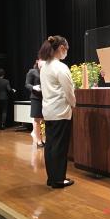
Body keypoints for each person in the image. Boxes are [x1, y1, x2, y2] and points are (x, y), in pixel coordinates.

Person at [38, 35, 76, 189]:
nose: (66, 53)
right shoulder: (60, 67)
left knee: (51, 145)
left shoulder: (45, 66)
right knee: (60, 147)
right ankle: (59, 179)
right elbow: (69, 91)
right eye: (66, 50)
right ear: (61, 48)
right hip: (61, 112)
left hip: (48, 111)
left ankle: (51, 178)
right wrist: (74, 104)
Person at [25, 59, 45, 147]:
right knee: (37, 120)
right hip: (36, 98)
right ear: (37, 61)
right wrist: (34, 87)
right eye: (42, 60)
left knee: (45, 119)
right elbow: (27, 84)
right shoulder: (32, 71)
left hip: (46, 98)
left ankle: (44, 138)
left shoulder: (46, 71)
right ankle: (38, 140)